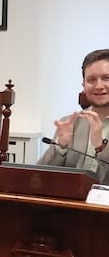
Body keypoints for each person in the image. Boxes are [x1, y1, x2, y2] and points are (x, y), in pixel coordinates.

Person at [38, 49, 109, 184]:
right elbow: (40, 177)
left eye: (106, 78)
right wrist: (60, 147)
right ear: (84, 86)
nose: (99, 86)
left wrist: (100, 147)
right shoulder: (70, 123)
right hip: (71, 196)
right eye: (91, 80)